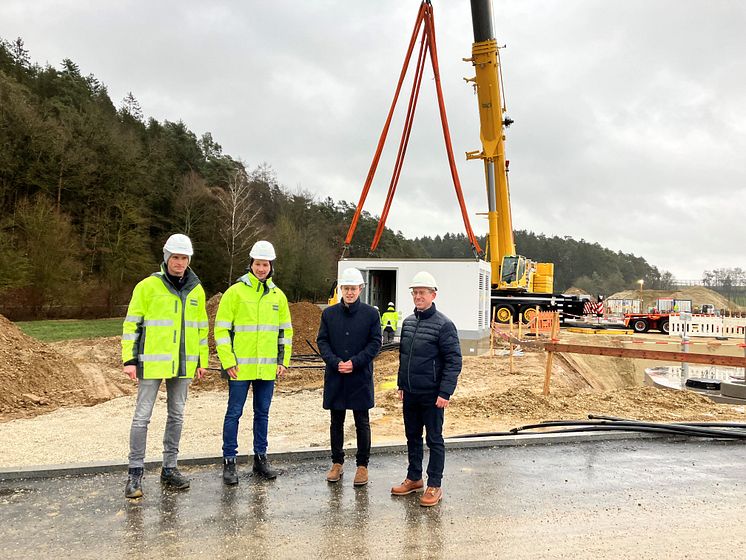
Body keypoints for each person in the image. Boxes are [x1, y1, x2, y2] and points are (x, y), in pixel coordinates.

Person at [122, 233, 209, 499]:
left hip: (183, 364)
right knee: (142, 417)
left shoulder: (196, 289)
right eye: (175, 257)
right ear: (166, 257)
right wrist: (129, 359)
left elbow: (201, 329)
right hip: (151, 362)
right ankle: (135, 473)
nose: (179, 263)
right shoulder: (148, 286)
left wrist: (201, 360)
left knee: (177, 416)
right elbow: (131, 324)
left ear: (189, 260)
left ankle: (169, 468)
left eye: (184, 258)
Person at [215, 240, 292, 485]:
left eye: (265, 264)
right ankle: (229, 461)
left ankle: (261, 458)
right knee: (234, 414)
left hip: (267, 369)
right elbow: (221, 329)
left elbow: (285, 332)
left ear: (271, 266)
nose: (261, 268)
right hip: (240, 368)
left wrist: (283, 361)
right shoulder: (235, 292)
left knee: (262, 414)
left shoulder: (278, 296)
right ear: (251, 264)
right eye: (258, 264)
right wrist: (227, 361)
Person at [391, 271, 462, 507]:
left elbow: (453, 361)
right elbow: (404, 357)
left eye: (422, 292)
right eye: (415, 292)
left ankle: (434, 484)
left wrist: (445, 392)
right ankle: (414, 478)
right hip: (410, 393)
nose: (418, 296)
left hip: (432, 395)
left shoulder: (444, 325)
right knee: (412, 436)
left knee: (434, 439)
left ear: (433, 294)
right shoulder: (409, 323)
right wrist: (401, 383)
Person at [317, 267, 382, 486]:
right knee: (336, 420)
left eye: (353, 288)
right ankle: (337, 463)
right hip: (336, 376)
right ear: (340, 289)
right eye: (346, 288)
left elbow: (375, 343)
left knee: (361, 421)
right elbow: (322, 341)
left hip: (359, 376)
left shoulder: (371, 314)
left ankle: (362, 466)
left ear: (361, 289)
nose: (350, 292)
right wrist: (335, 362)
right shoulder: (328, 314)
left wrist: (355, 362)